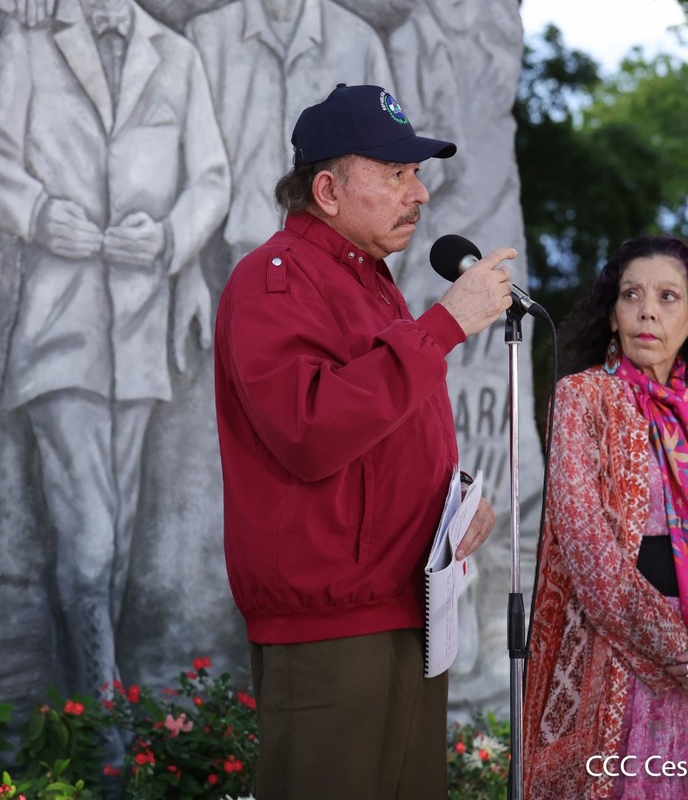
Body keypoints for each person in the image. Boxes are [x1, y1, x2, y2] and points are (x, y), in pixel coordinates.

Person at [0, 0, 230, 697]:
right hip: (59, 326)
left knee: (115, 541)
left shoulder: (176, 56)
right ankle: (109, 730)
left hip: (139, 329)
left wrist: (167, 237)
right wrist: (40, 214)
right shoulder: (25, 45)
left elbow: (211, 177)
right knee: (89, 539)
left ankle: (89, 710)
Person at [214, 82, 515, 799]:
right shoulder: (274, 280)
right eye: (396, 173)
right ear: (327, 190)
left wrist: (450, 500)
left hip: (405, 603)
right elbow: (310, 432)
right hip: (331, 625)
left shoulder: (367, 281)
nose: (420, 193)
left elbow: (378, 435)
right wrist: (443, 325)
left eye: (416, 173)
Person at [521, 234, 688, 799]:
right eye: (631, 295)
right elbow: (588, 551)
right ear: (613, 316)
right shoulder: (582, 399)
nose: (647, 311)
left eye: (667, 297)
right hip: (617, 661)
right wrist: (679, 651)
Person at [187, 0, 393, 265]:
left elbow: (392, 166)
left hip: (336, 263)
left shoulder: (357, 41)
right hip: (234, 259)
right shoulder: (207, 36)